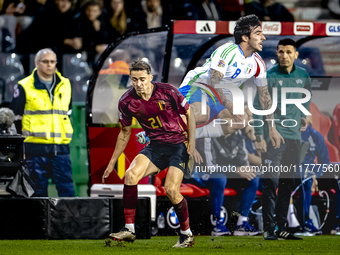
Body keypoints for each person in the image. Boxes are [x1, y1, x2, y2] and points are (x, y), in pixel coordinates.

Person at [102, 59, 202, 248]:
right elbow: (124, 133)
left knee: (171, 189)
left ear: (150, 77)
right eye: (134, 80)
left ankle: (186, 234)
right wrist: (112, 162)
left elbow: (190, 114)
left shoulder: (168, 91)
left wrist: (192, 144)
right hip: (155, 146)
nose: (138, 84)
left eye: (142, 79)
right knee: (130, 175)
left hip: (178, 144)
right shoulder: (126, 101)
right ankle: (129, 230)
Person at [178, 14, 283, 147]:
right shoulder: (227, 51)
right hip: (199, 85)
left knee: (241, 120)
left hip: (219, 95)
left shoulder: (258, 63)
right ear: (245, 37)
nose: (263, 38)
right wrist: (228, 104)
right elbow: (213, 82)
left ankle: (192, 135)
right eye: (258, 34)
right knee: (201, 115)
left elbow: (265, 96)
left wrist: (272, 129)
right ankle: (151, 133)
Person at [253, 38, 312, 240]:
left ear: (296, 55)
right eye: (280, 52)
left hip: (294, 138)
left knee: (287, 183)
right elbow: (258, 107)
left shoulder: (303, 75)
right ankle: (268, 228)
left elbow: (307, 98)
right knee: (270, 181)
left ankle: (281, 227)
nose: (284, 55)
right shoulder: (268, 76)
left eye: (288, 52)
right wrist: (259, 136)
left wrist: (305, 114)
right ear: (276, 54)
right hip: (274, 137)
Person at [9, 48, 75, 197]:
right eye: (45, 61)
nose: (49, 65)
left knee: (67, 191)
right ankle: (40, 222)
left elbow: (67, 113)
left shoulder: (66, 84)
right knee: (37, 192)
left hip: (61, 149)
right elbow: (15, 120)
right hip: (35, 150)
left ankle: (69, 221)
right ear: (36, 63)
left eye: (52, 62)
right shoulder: (24, 86)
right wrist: (20, 151)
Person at [192, 133, 261, 236]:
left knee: (252, 178)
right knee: (220, 178)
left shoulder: (239, 135)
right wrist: (236, 169)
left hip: (229, 174)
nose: (240, 120)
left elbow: (242, 162)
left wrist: (246, 169)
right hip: (204, 174)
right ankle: (217, 224)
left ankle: (242, 223)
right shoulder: (208, 135)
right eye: (235, 117)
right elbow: (209, 166)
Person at [295, 116, 330, 236]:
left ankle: (334, 224)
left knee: (334, 182)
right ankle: (303, 221)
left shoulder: (315, 136)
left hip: (310, 172)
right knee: (306, 179)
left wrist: (317, 175)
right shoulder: (291, 134)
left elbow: (325, 161)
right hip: (292, 170)